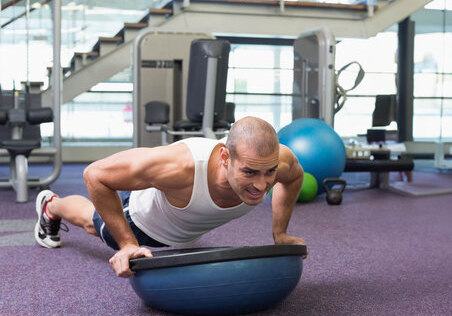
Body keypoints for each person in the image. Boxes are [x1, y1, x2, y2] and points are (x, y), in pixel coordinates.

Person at [34, 117, 306, 278]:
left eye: (269, 172)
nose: (262, 185)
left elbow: (293, 178)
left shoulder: (278, 161)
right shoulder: (180, 166)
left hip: (181, 227)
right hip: (139, 219)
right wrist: (127, 244)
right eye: (249, 172)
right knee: (92, 222)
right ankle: (51, 206)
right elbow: (95, 175)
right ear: (225, 157)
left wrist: (280, 233)